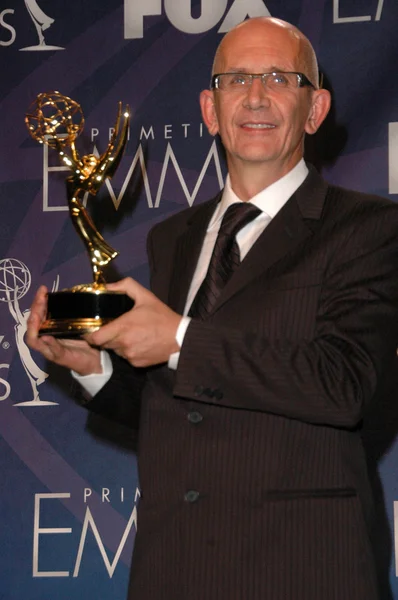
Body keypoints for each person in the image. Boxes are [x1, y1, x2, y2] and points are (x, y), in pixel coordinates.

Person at [27, 16, 398, 600]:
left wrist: (179, 338)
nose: (254, 96)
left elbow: (344, 384)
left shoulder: (369, 228)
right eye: (235, 79)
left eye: (279, 77)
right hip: (171, 571)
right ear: (208, 107)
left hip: (300, 571)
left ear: (316, 108)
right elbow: (181, 404)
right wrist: (92, 369)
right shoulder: (172, 237)